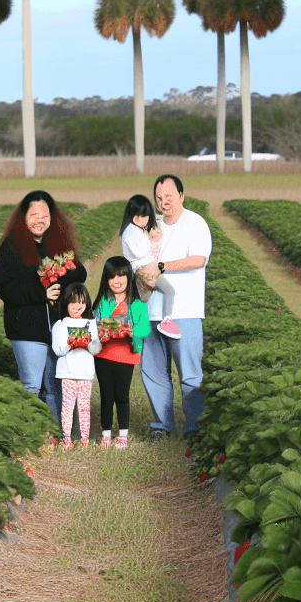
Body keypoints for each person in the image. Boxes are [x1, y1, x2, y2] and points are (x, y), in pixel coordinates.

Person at [128, 174, 212, 439]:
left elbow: (198, 259)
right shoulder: (151, 225)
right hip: (150, 310)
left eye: (170, 197)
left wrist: (162, 267)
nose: (164, 202)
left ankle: (194, 427)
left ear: (182, 196)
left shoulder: (195, 222)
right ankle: (162, 425)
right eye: (159, 198)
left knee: (190, 372)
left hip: (184, 312)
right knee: (152, 371)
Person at [0, 190, 86, 425]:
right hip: (26, 328)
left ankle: (59, 432)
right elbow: (4, 288)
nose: (39, 220)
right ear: (23, 217)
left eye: (44, 215)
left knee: (56, 384)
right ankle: (30, 434)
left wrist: (58, 279)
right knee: (32, 384)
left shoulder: (57, 244)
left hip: (57, 329)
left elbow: (80, 272)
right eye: (33, 215)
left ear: (53, 218)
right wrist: (40, 293)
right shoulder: (11, 247)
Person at [92, 256, 151, 449]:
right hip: (103, 356)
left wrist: (132, 330)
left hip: (126, 357)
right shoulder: (103, 302)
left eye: (121, 276)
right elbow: (94, 324)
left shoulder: (137, 304)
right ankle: (106, 434)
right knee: (106, 395)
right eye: (111, 277)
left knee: (122, 396)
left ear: (129, 277)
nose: (116, 281)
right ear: (106, 279)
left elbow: (145, 329)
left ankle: (123, 435)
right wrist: (102, 330)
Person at [119, 195, 180, 339]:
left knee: (140, 299)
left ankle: (128, 325)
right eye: (142, 216)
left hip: (144, 269)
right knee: (163, 292)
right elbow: (141, 251)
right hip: (145, 270)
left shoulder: (133, 229)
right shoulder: (132, 232)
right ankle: (165, 321)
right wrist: (150, 238)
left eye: (146, 216)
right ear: (134, 217)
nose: (145, 220)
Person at [51, 283, 102, 449]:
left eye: (81, 302)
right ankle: (67, 439)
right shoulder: (60, 324)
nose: (77, 306)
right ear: (66, 303)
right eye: (72, 302)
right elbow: (57, 349)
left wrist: (87, 344)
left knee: (84, 406)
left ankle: (85, 439)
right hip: (67, 372)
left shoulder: (91, 324)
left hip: (86, 373)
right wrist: (70, 343)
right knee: (68, 405)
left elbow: (97, 348)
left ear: (86, 303)